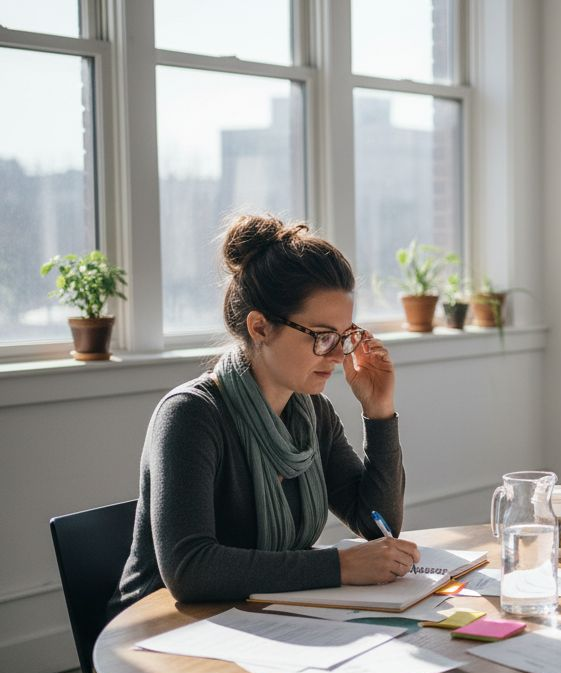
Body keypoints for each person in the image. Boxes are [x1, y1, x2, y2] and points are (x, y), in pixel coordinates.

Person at [111, 215, 418, 615]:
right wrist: (338, 566)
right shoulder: (190, 415)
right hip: (162, 630)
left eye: (344, 338)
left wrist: (379, 413)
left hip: (259, 618)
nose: (339, 355)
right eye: (322, 336)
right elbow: (189, 570)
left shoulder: (312, 415)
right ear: (259, 327)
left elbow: (377, 524)